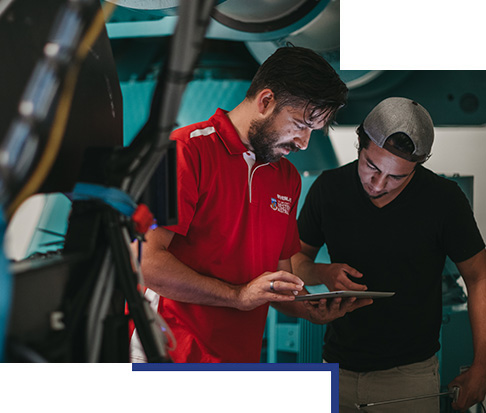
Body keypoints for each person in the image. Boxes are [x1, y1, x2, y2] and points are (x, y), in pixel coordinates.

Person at [130, 46, 371, 363]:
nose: (303, 143)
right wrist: (237, 295)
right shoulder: (182, 151)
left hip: (236, 358)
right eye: (300, 125)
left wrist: (312, 308)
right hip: (166, 352)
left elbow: (278, 282)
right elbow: (144, 263)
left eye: (313, 131)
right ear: (266, 101)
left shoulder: (286, 178)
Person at [292, 97, 486, 412]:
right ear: (360, 144)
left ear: (418, 166)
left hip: (409, 377)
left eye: (397, 177)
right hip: (335, 370)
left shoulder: (444, 200)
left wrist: (481, 366)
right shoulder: (329, 189)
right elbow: (295, 261)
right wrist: (322, 273)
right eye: (371, 166)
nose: (379, 183)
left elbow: (480, 276)